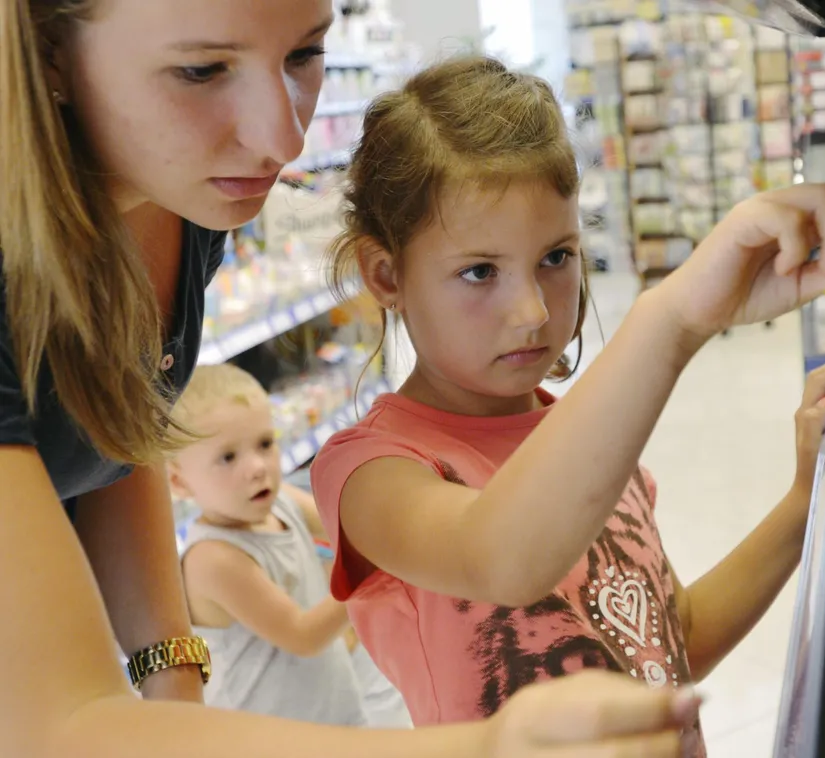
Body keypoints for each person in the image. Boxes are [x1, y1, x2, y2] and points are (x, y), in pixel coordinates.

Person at [0, 1, 732, 755]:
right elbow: (62, 725)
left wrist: (170, 669)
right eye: (201, 69)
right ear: (48, 52)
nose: (281, 138)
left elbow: (116, 422)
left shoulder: (185, 204)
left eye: (304, 55)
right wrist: (489, 746)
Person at [309, 55, 825, 754]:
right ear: (386, 273)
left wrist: (803, 499)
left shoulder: (583, 438)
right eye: (478, 272)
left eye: (556, 257)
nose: (529, 312)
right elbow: (499, 556)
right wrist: (671, 320)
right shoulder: (372, 472)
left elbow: (670, 643)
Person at [169, 363, 369, 726]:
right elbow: (303, 635)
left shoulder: (282, 502)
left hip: (329, 708)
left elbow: (350, 526)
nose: (258, 467)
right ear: (179, 483)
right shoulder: (213, 559)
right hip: (272, 733)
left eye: (264, 443)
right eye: (228, 457)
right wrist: (370, 568)